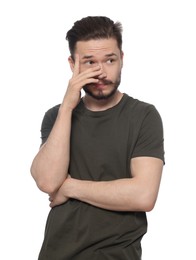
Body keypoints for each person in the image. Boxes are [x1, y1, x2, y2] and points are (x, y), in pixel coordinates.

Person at [30, 16, 165, 260]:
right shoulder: (57, 116)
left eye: (109, 60)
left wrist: (70, 186)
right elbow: (48, 182)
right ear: (73, 65)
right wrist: (67, 107)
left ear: (121, 59)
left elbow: (144, 194)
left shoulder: (144, 116)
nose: (101, 72)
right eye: (90, 62)